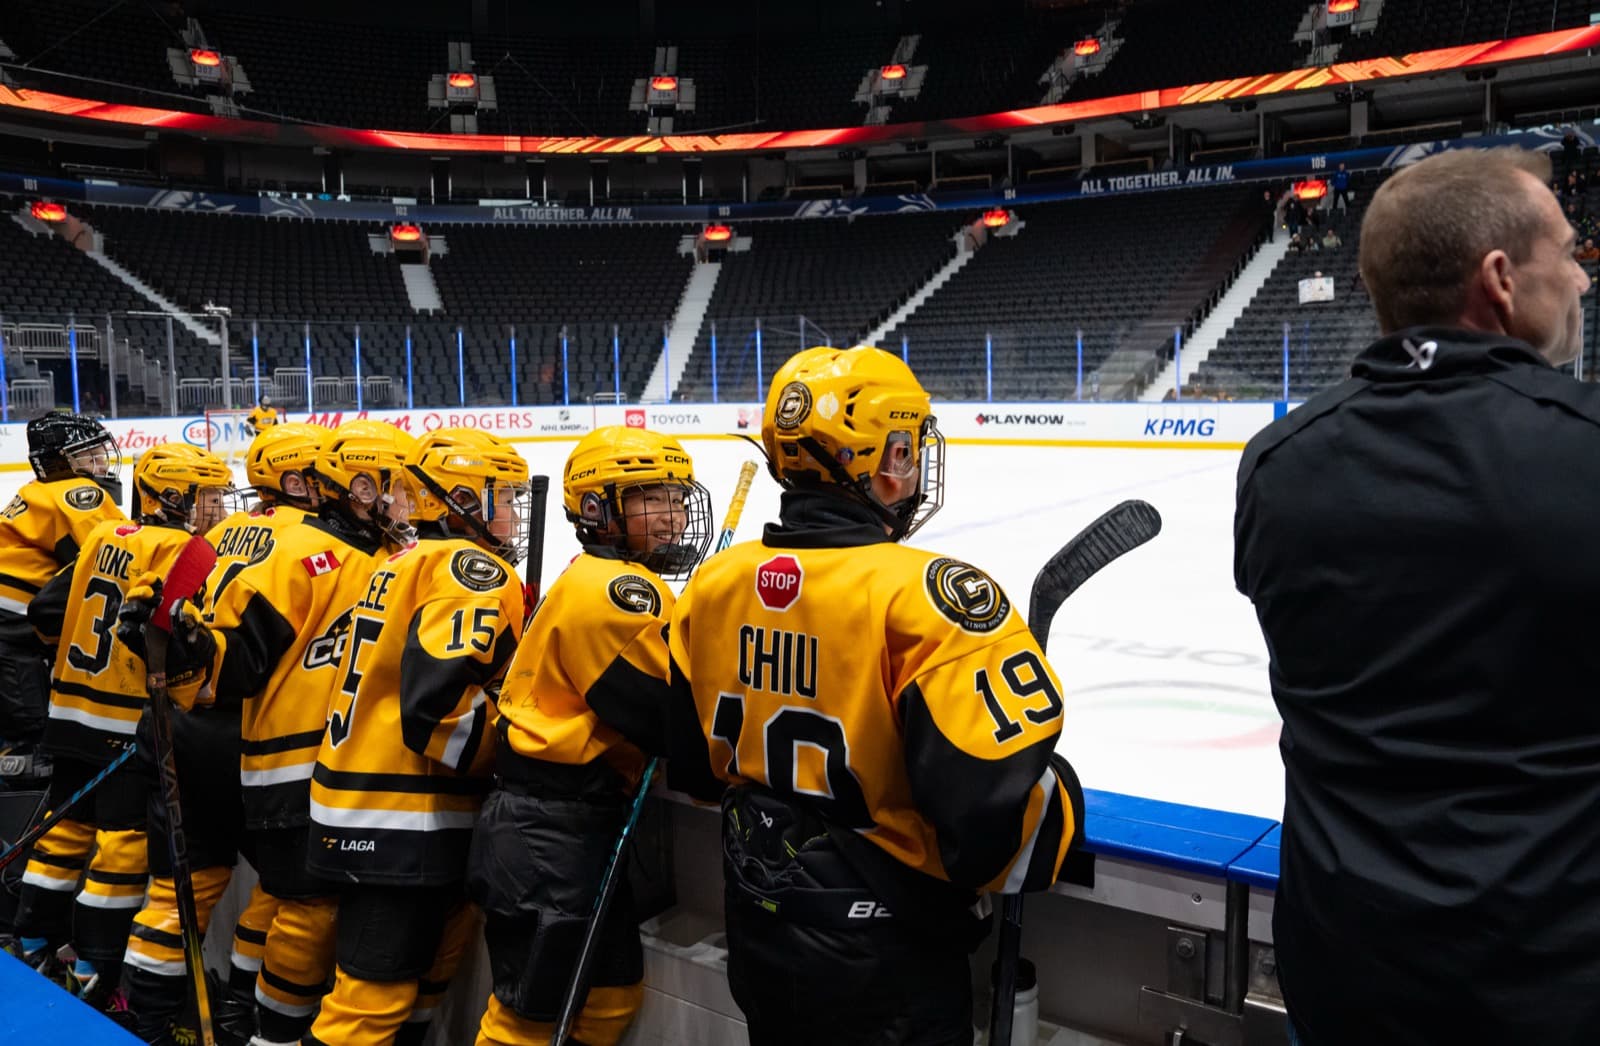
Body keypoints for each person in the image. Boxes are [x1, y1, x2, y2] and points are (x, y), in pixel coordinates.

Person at [1234, 146, 1596, 1044]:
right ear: (1502, 279)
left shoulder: (1280, 465)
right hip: (1550, 983)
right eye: (1568, 251)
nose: (1583, 275)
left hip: (1342, 971)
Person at [642, 346, 1083, 1046]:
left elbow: (693, 772)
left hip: (760, 936)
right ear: (885, 458)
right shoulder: (927, 597)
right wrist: (1056, 791)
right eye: (906, 448)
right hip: (887, 970)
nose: (910, 468)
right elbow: (995, 833)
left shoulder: (711, 586)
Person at [143, 419, 417, 1045]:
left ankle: (241, 1008)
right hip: (285, 761)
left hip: (284, 753)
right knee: (304, 904)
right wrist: (188, 652)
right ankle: (267, 1031)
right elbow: (236, 657)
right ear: (353, 489)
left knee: (283, 894)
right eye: (391, 488)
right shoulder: (310, 552)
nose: (403, 502)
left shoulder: (351, 550)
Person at [467, 426, 713, 1046]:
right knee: (526, 1020)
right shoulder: (613, 592)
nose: (675, 514)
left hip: (568, 826)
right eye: (652, 498)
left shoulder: (605, 580)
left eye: (677, 497)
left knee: (608, 997)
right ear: (599, 510)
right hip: (548, 832)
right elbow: (668, 723)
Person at [303, 428, 533, 1046]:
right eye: (503, 496)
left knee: (415, 989)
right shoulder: (469, 567)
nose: (514, 512)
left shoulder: (399, 561)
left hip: (365, 802)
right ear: (460, 499)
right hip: (401, 820)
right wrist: (520, 747)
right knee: (370, 1004)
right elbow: (435, 710)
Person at [119, 423, 327, 1046]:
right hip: (250, 733)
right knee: (288, 886)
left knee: (178, 890)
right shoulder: (327, 546)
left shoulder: (209, 541)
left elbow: (165, 645)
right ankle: (241, 1003)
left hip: (177, 731)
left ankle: (143, 1019)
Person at [12, 444, 234, 1018]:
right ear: (176, 497)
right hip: (124, 725)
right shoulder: (184, 549)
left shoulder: (107, 535)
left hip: (70, 713)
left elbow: (43, 612)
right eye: (207, 497)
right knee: (119, 852)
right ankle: (95, 972)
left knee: (61, 838)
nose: (215, 508)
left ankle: (33, 945)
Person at [0, 414, 125, 764]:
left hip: (11, 623)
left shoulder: (36, 491)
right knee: (35, 742)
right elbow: (118, 553)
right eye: (89, 456)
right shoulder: (77, 493)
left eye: (100, 453)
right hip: (12, 625)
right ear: (59, 461)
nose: (101, 462)